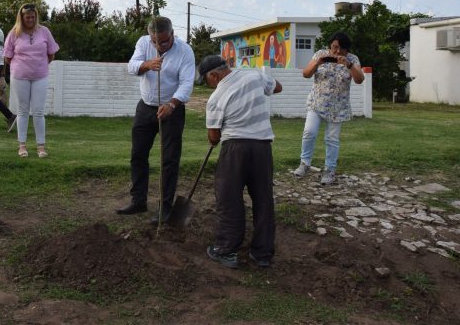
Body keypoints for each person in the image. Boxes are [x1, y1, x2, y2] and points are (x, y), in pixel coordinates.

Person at [199, 54, 282, 269]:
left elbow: (214, 138)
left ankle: (226, 250)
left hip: (235, 150)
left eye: (206, 80)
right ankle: (262, 253)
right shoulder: (254, 75)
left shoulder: (216, 99)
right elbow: (278, 87)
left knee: (229, 199)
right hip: (262, 147)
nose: (207, 85)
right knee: (263, 199)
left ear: (214, 76)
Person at [116, 17, 195, 225]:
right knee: (138, 155)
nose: (158, 46)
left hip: (172, 109)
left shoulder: (185, 51)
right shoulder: (143, 43)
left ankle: (165, 208)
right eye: (155, 42)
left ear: (172, 34)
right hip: (145, 107)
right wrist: (147, 64)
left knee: (169, 160)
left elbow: (187, 84)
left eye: (163, 42)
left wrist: (171, 104)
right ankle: (138, 201)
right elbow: (132, 67)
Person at [293, 31, 364, 185]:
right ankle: (304, 164)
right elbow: (306, 74)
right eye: (334, 47)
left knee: (332, 139)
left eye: (341, 49)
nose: (337, 51)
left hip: (338, 106)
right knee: (309, 132)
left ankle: (329, 170)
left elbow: (360, 80)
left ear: (347, 49)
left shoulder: (353, 59)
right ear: (329, 46)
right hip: (317, 103)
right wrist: (318, 62)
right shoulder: (320, 54)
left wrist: (349, 65)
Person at [3, 3, 59, 158]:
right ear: (21, 17)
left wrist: (38, 66)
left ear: (36, 17)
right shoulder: (14, 33)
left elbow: (51, 54)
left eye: (33, 17)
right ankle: (22, 146)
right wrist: (22, 66)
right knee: (22, 111)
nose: (30, 19)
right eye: (27, 17)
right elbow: (8, 57)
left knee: (39, 111)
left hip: (40, 76)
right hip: (20, 76)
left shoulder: (44, 31)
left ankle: (41, 146)